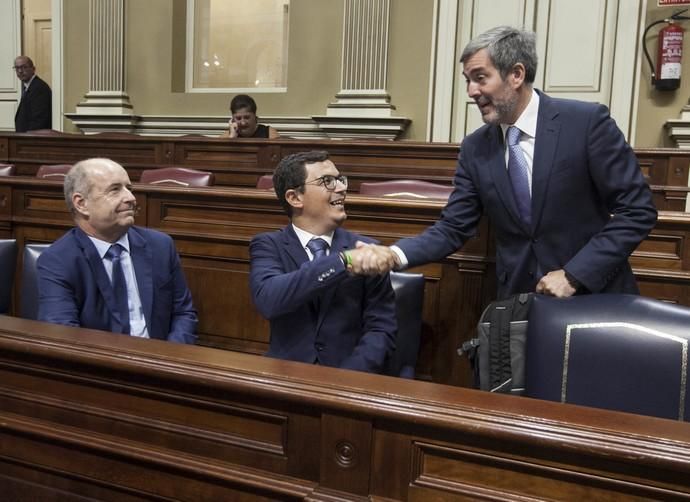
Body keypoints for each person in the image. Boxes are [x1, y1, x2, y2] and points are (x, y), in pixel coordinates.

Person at [351, 26, 657, 300]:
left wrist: (575, 274)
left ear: (516, 75)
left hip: (594, 298)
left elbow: (637, 210)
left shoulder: (586, 123)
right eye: (468, 81)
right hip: (520, 306)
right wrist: (393, 254)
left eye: (480, 77)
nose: (471, 91)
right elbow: (453, 228)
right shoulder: (476, 148)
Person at [249, 150, 396, 373]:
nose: (341, 187)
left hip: (350, 378)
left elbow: (381, 328)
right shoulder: (269, 245)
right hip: (286, 377)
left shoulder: (366, 249)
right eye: (327, 181)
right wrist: (342, 261)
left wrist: (348, 376)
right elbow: (270, 300)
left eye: (340, 179)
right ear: (295, 198)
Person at [37, 158, 198, 344]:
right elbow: (63, 335)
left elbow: (183, 313)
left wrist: (169, 360)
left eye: (129, 188)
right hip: (99, 367)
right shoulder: (58, 260)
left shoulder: (160, 246)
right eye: (115, 189)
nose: (131, 198)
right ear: (81, 204)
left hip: (162, 362)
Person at [13, 56, 52, 132]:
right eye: (17, 68)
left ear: (33, 69)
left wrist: (27, 138)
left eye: (24, 67)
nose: (20, 71)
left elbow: (39, 120)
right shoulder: (27, 86)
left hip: (32, 139)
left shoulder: (39, 88)